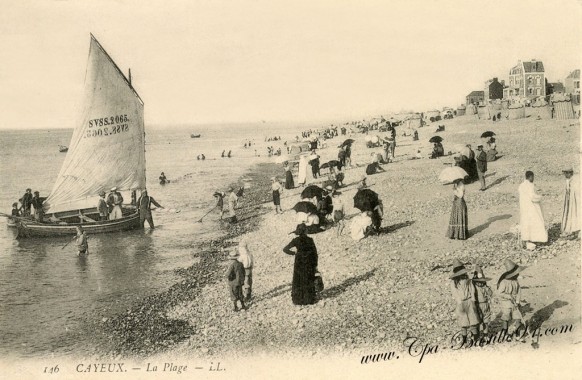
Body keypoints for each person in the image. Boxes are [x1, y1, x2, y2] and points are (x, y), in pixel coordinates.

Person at [283, 224, 319, 305]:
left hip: (299, 262)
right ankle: (309, 299)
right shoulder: (310, 240)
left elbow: (285, 249)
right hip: (309, 262)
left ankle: (298, 300)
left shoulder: (296, 240)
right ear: (305, 231)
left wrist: (294, 253)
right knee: (308, 279)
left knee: (298, 280)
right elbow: (315, 253)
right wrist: (315, 264)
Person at [450, 259, 481, 344]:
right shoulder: (453, 282)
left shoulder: (467, 279)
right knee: (463, 321)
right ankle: (464, 338)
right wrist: (459, 302)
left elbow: (472, 289)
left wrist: (473, 299)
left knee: (473, 320)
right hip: (461, 302)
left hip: (469, 300)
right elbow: (455, 293)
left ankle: (476, 338)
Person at [497, 259, 527, 338]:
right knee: (506, 317)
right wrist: (508, 296)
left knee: (518, 317)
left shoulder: (516, 282)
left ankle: (516, 332)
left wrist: (517, 301)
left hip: (515, 303)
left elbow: (519, 292)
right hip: (506, 303)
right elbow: (499, 293)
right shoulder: (504, 282)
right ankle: (505, 333)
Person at [518, 171, 547, 250]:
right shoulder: (530, 185)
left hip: (524, 209)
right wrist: (540, 197)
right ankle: (536, 239)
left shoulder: (521, 186)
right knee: (537, 222)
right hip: (532, 208)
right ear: (530, 176)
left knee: (526, 224)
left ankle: (526, 239)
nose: (533, 179)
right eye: (533, 177)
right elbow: (533, 197)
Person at [472, 265, 493, 335]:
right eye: (478, 282)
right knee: (478, 320)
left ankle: (485, 334)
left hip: (485, 304)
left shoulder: (485, 287)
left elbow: (490, 293)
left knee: (486, 320)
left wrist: (486, 288)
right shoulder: (474, 287)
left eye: (482, 281)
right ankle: (477, 334)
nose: (480, 283)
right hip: (478, 304)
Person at [561, 167, 580, 237]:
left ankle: (575, 230)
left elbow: (576, 192)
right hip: (569, 201)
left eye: (566, 173)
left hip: (574, 202)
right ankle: (569, 229)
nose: (565, 175)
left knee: (574, 214)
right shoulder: (568, 180)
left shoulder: (575, 180)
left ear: (570, 173)